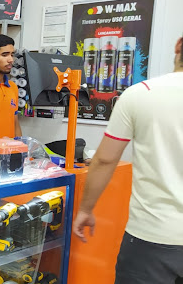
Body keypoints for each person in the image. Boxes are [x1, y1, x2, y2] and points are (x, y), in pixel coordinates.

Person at [73, 36, 183, 284]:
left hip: (152, 239)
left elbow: (104, 160)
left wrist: (86, 210)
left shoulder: (140, 94)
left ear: (178, 45)